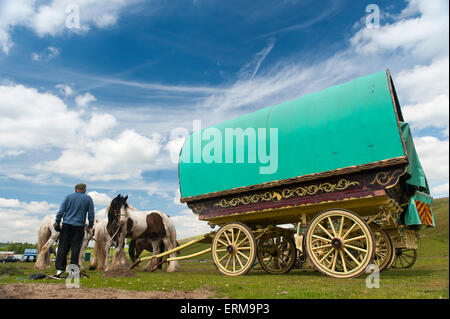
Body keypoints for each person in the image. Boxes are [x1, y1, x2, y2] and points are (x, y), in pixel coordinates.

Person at [54, 183, 95, 277]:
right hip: (79, 227)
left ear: (75, 189)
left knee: (63, 248)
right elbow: (91, 214)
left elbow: (61, 211)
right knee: (76, 249)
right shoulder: (88, 199)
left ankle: (60, 269)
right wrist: (90, 225)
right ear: (84, 189)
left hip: (66, 225)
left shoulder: (68, 197)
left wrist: (57, 220)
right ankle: (72, 271)